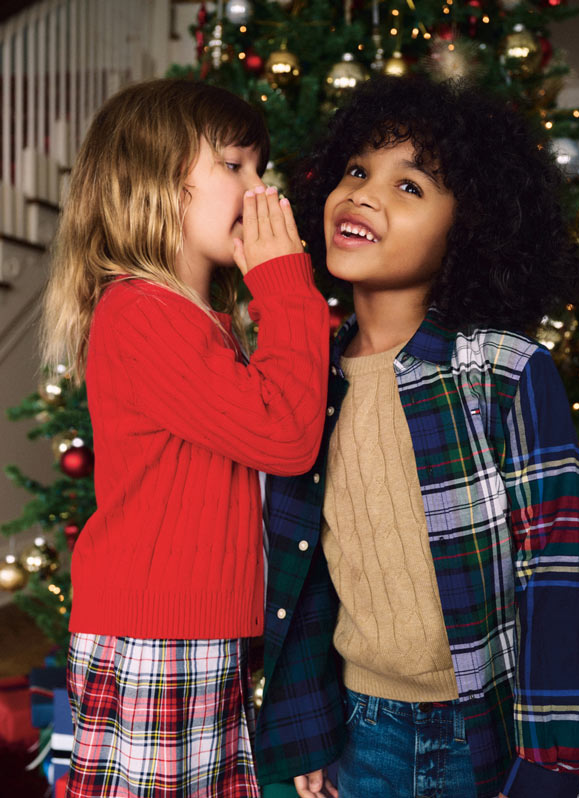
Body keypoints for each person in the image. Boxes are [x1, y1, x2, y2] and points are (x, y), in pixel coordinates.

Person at [254, 76, 579, 798]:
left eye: (409, 186)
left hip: (490, 731)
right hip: (363, 729)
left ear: (465, 230)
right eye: (357, 170)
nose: (364, 193)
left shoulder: (504, 371)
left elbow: (558, 574)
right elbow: (305, 572)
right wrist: (314, 729)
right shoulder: (307, 382)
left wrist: (549, 765)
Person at [40, 78, 330, 797]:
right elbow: (288, 435)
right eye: (235, 166)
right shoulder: (141, 313)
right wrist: (286, 282)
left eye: (261, 167)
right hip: (160, 637)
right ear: (156, 183)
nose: (260, 190)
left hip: (197, 633)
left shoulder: (197, 318)